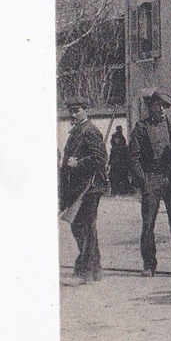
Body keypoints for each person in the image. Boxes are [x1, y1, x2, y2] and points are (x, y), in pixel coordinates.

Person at [128, 90, 171, 277]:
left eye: (165, 106)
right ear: (151, 106)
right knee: (149, 222)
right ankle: (149, 264)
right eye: (158, 105)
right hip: (152, 178)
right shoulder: (141, 128)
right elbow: (133, 158)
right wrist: (143, 181)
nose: (162, 109)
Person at [59, 101, 108, 284]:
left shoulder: (90, 130)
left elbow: (100, 158)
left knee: (86, 227)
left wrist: (78, 163)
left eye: (76, 111)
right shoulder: (77, 130)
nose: (73, 114)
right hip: (78, 187)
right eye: (71, 111)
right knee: (80, 227)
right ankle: (93, 269)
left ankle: (85, 270)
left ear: (85, 111)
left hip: (90, 187)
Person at [108, 126, 131, 195]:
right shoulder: (113, 148)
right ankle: (114, 192)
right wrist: (109, 164)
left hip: (122, 165)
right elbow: (111, 157)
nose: (116, 140)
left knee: (122, 178)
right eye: (115, 139)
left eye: (118, 139)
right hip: (114, 165)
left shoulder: (124, 147)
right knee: (112, 178)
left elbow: (127, 157)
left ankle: (124, 192)